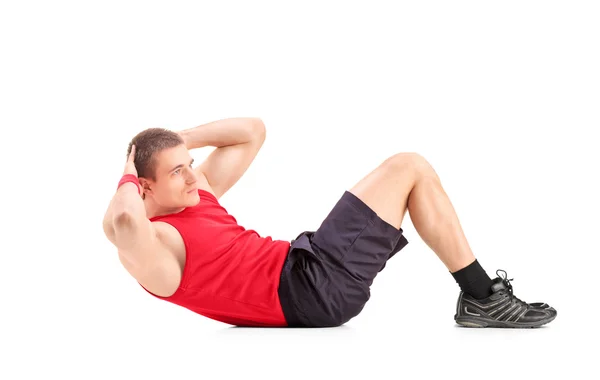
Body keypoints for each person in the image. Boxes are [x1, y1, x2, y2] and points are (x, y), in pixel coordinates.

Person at [103, 117, 557, 328]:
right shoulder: (156, 243)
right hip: (311, 289)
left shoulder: (194, 195)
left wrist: (174, 140)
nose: (191, 175)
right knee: (409, 165)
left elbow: (252, 131)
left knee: (411, 168)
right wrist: (128, 165)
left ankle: (481, 298)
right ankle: (482, 298)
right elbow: (123, 218)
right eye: (177, 170)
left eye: (190, 164)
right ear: (142, 187)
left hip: (308, 269)